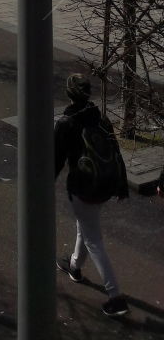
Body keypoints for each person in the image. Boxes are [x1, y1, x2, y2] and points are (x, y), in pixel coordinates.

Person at [55, 73, 129, 318]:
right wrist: (121, 185)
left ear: (69, 94)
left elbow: (55, 160)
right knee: (86, 227)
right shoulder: (101, 118)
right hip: (104, 184)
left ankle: (115, 297)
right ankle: (74, 266)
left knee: (93, 240)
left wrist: (41, 188)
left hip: (83, 187)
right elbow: (115, 151)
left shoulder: (66, 123)